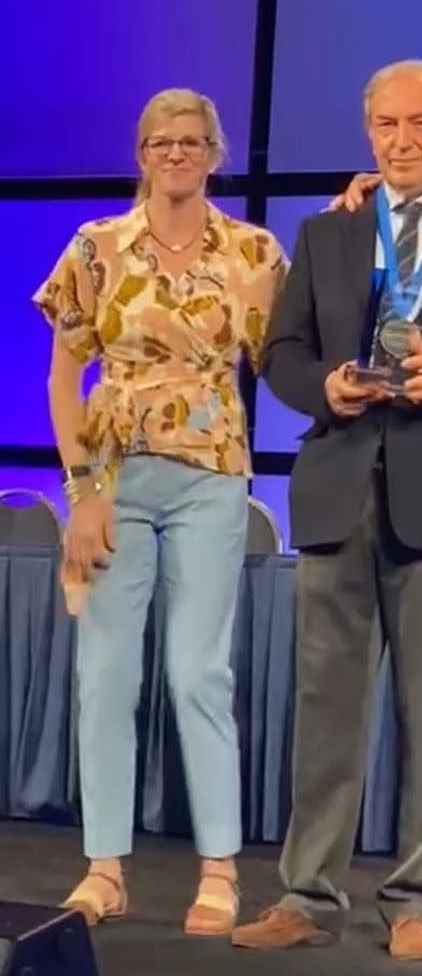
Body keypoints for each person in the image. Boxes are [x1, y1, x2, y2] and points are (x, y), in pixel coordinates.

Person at [230, 60, 422, 961]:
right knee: (326, 712)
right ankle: (307, 893)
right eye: (385, 124)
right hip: (339, 490)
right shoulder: (329, 232)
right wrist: (327, 385)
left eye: (419, 124)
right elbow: (280, 353)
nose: (400, 140)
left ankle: (418, 898)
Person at [32, 88, 287, 935]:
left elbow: (289, 353)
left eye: (192, 142)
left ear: (217, 153)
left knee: (197, 671)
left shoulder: (251, 252)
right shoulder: (98, 247)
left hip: (212, 476)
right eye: (160, 142)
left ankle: (220, 867)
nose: (175, 154)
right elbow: (65, 378)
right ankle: (106, 867)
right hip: (111, 482)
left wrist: (346, 223)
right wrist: (80, 493)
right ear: (140, 153)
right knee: (105, 672)